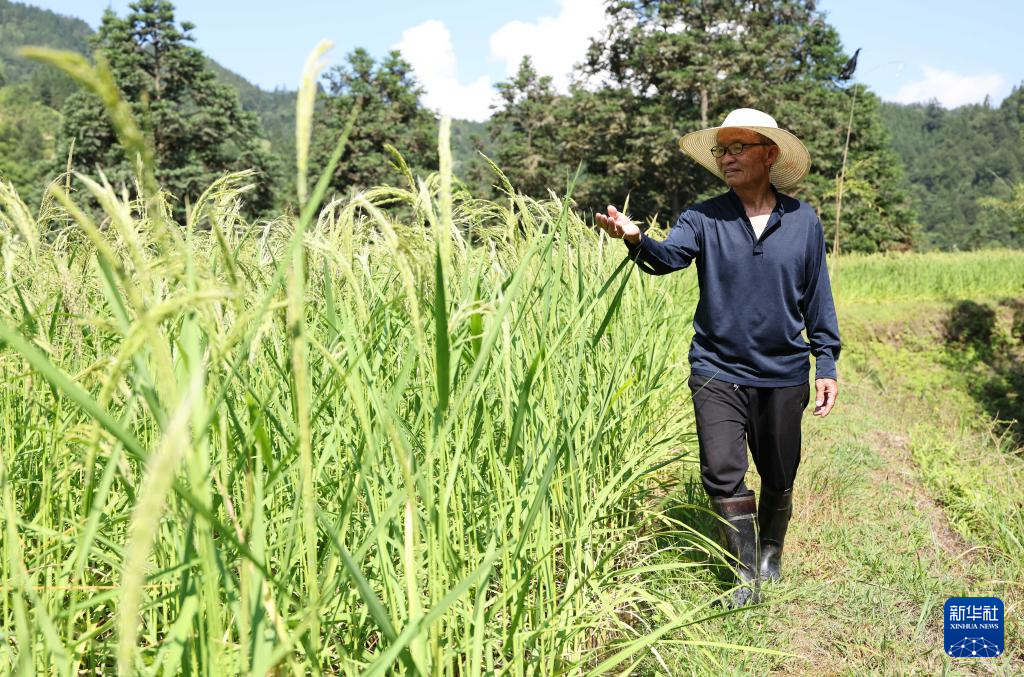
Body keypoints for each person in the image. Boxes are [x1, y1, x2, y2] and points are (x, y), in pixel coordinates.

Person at [594, 108, 841, 607]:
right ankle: (745, 576)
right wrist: (637, 238)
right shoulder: (704, 217)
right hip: (716, 368)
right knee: (721, 469)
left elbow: (818, 296)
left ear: (769, 154)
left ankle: (770, 552)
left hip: (782, 371)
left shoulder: (803, 220)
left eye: (737, 148)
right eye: (720, 150)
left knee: (779, 471)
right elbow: (666, 260)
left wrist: (827, 362)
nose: (726, 159)